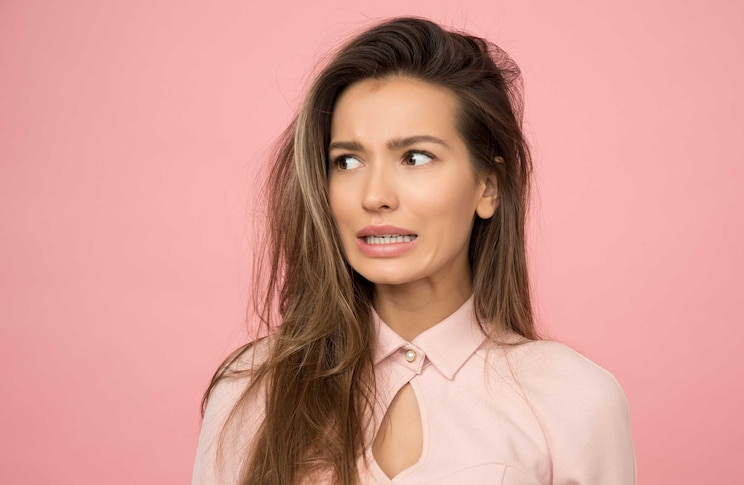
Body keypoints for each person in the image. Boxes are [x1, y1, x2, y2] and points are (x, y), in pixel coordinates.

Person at [192, 17, 636, 485]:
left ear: (488, 186)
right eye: (348, 161)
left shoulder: (573, 399)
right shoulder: (252, 390)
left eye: (415, 157)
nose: (375, 195)